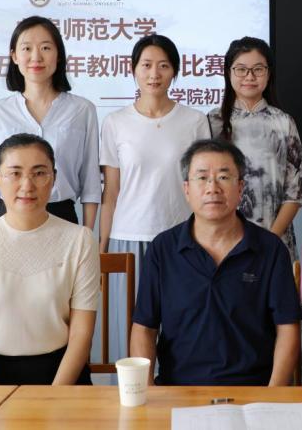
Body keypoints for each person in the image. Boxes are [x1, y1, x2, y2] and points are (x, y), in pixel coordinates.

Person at [129, 139, 301, 385]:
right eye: (202, 178)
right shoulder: (162, 249)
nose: (212, 188)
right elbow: (144, 328)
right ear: (186, 189)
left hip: (253, 391)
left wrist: (271, 395)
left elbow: (287, 328)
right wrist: (147, 391)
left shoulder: (270, 250)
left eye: (223, 177)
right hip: (178, 390)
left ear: (240, 188)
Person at [0, 134, 99, 385]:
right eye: (15, 173)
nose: (27, 185)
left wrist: (53, 399)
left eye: (39, 173)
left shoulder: (80, 239)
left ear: (54, 178)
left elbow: (81, 336)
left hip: (61, 376)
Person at [99, 34, 209, 360]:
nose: (154, 74)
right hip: (128, 238)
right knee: (130, 330)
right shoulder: (115, 122)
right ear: (133, 69)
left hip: (181, 239)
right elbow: (111, 192)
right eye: (146, 65)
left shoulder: (194, 121)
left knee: (182, 326)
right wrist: (102, 249)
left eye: (163, 66)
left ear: (174, 71)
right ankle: (130, 391)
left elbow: (202, 186)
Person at [0, 16, 101, 228]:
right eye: (27, 48)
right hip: (6, 219)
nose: (36, 57)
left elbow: (91, 183)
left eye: (46, 48)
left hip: (62, 218)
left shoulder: (82, 110)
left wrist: (87, 235)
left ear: (58, 55)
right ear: (14, 56)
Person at [207, 36, 302, 262]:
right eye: (241, 69)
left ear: (268, 73)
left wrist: (269, 240)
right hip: (222, 242)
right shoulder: (212, 122)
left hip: (274, 240)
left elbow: (294, 192)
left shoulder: (283, 122)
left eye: (258, 69)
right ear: (228, 72)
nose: (249, 76)